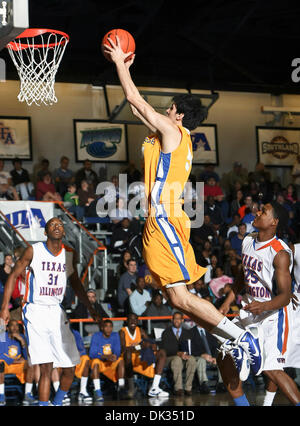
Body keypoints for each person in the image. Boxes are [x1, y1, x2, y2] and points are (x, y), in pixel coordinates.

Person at [103, 36, 264, 382]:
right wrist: (128, 70)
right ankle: (232, 339)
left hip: (164, 219)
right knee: (176, 300)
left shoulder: (174, 132)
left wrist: (118, 62)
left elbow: (135, 99)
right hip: (156, 221)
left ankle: (243, 337)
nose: (166, 110)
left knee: (182, 295)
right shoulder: (172, 136)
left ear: (178, 114)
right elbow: (135, 108)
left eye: (171, 107)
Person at [0, 217, 102, 406]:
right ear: (45, 232)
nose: (57, 227)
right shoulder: (34, 250)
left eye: (60, 225)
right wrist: (4, 307)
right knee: (46, 367)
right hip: (36, 310)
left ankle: (55, 403)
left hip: (57, 311)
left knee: (71, 367)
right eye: (52, 225)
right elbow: (13, 275)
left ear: (64, 232)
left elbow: (76, 284)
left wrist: (91, 307)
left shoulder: (69, 254)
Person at [217, 202, 300, 406]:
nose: (257, 212)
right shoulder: (247, 240)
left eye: (263, 212)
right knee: (223, 356)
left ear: (274, 222)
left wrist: (263, 306)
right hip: (249, 309)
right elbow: (242, 275)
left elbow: (286, 296)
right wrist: (228, 300)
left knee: (270, 368)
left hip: (272, 315)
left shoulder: (279, 253)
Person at [119, 313, 168, 398]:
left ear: (138, 321)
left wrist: (153, 345)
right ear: (127, 321)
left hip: (140, 357)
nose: (133, 321)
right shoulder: (122, 331)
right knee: (127, 355)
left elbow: (149, 342)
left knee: (162, 352)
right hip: (128, 360)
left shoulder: (140, 330)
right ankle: (131, 388)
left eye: (135, 319)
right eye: (131, 319)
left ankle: (154, 387)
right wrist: (139, 346)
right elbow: (123, 349)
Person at [0, 320, 37, 406]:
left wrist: (22, 342)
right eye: (12, 325)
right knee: (0, 364)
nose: (15, 328)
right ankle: (1, 396)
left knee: (30, 364)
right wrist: (13, 361)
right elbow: (0, 354)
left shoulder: (21, 337)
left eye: (17, 325)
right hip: (6, 364)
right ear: (7, 328)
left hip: (18, 366)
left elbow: (26, 356)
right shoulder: (2, 336)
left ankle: (27, 395)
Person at [160, 312, 196, 396]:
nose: (177, 320)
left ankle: (188, 388)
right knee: (177, 360)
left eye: (179, 319)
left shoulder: (187, 332)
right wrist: (178, 353)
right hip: (170, 358)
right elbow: (165, 349)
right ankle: (178, 388)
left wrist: (186, 353)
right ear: (172, 320)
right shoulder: (166, 332)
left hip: (184, 356)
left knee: (192, 360)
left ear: (182, 320)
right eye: (175, 318)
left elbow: (190, 347)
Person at [90, 319, 125, 402]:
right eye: (106, 327)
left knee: (120, 360)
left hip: (111, 362)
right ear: (102, 328)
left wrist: (114, 356)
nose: (108, 329)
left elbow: (117, 350)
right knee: (95, 362)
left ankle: (121, 386)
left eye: (110, 327)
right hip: (101, 363)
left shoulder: (115, 335)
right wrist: (105, 356)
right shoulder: (96, 336)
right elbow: (92, 353)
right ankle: (98, 391)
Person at [189, 324, 225, 394]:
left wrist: (215, 357)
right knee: (201, 360)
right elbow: (190, 349)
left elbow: (216, 346)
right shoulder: (191, 332)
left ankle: (221, 384)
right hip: (199, 356)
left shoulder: (210, 331)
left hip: (211, 357)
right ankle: (203, 384)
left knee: (221, 359)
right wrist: (202, 355)